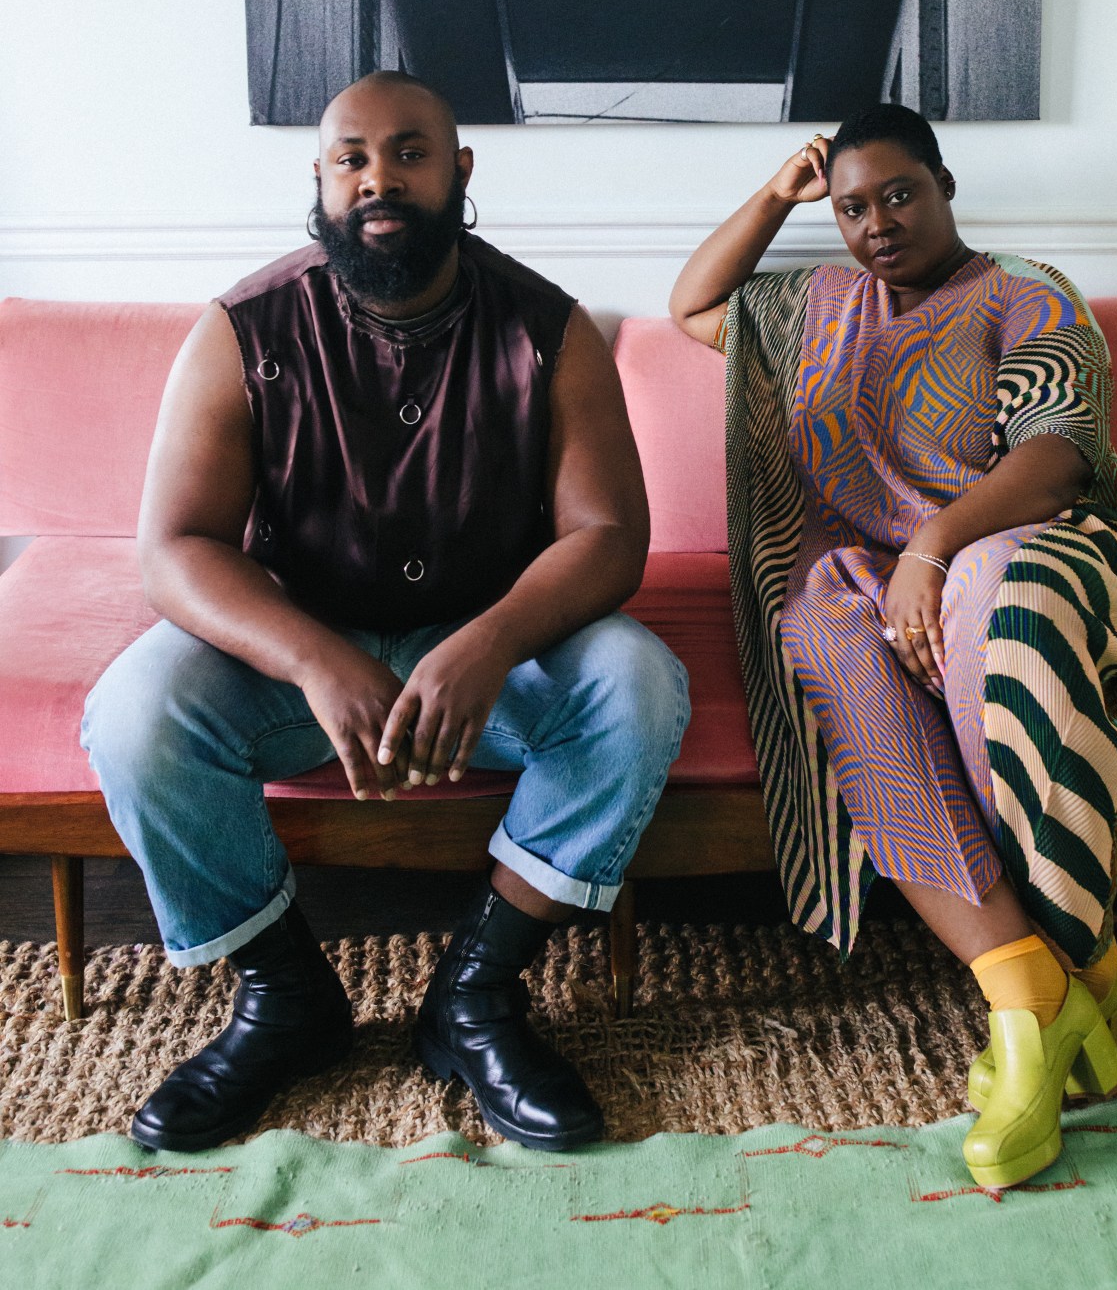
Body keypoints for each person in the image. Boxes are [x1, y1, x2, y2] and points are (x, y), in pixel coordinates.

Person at [82, 71, 688, 1154]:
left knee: (637, 680)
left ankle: (476, 998)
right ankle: (284, 1000)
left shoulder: (549, 328)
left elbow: (608, 537)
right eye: (351, 157)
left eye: (408, 152)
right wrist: (314, 656)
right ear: (317, 182)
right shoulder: (242, 328)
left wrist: (491, 639)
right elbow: (172, 549)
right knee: (133, 711)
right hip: (296, 656)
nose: (378, 177)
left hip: (496, 657)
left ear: (458, 171)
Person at [669, 104, 1117, 1191]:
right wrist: (777, 195)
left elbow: (1059, 452)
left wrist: (939, 549)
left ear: (944, 185)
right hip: (878, 575)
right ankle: (1031, 993)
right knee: (818, 624)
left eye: (898, 194)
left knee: (1002, 599)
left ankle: (1079, 958)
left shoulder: (1024, 290)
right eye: (851, 206)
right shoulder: (813, 305)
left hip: (1037, 544)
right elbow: (697, 305)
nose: (875, 223)